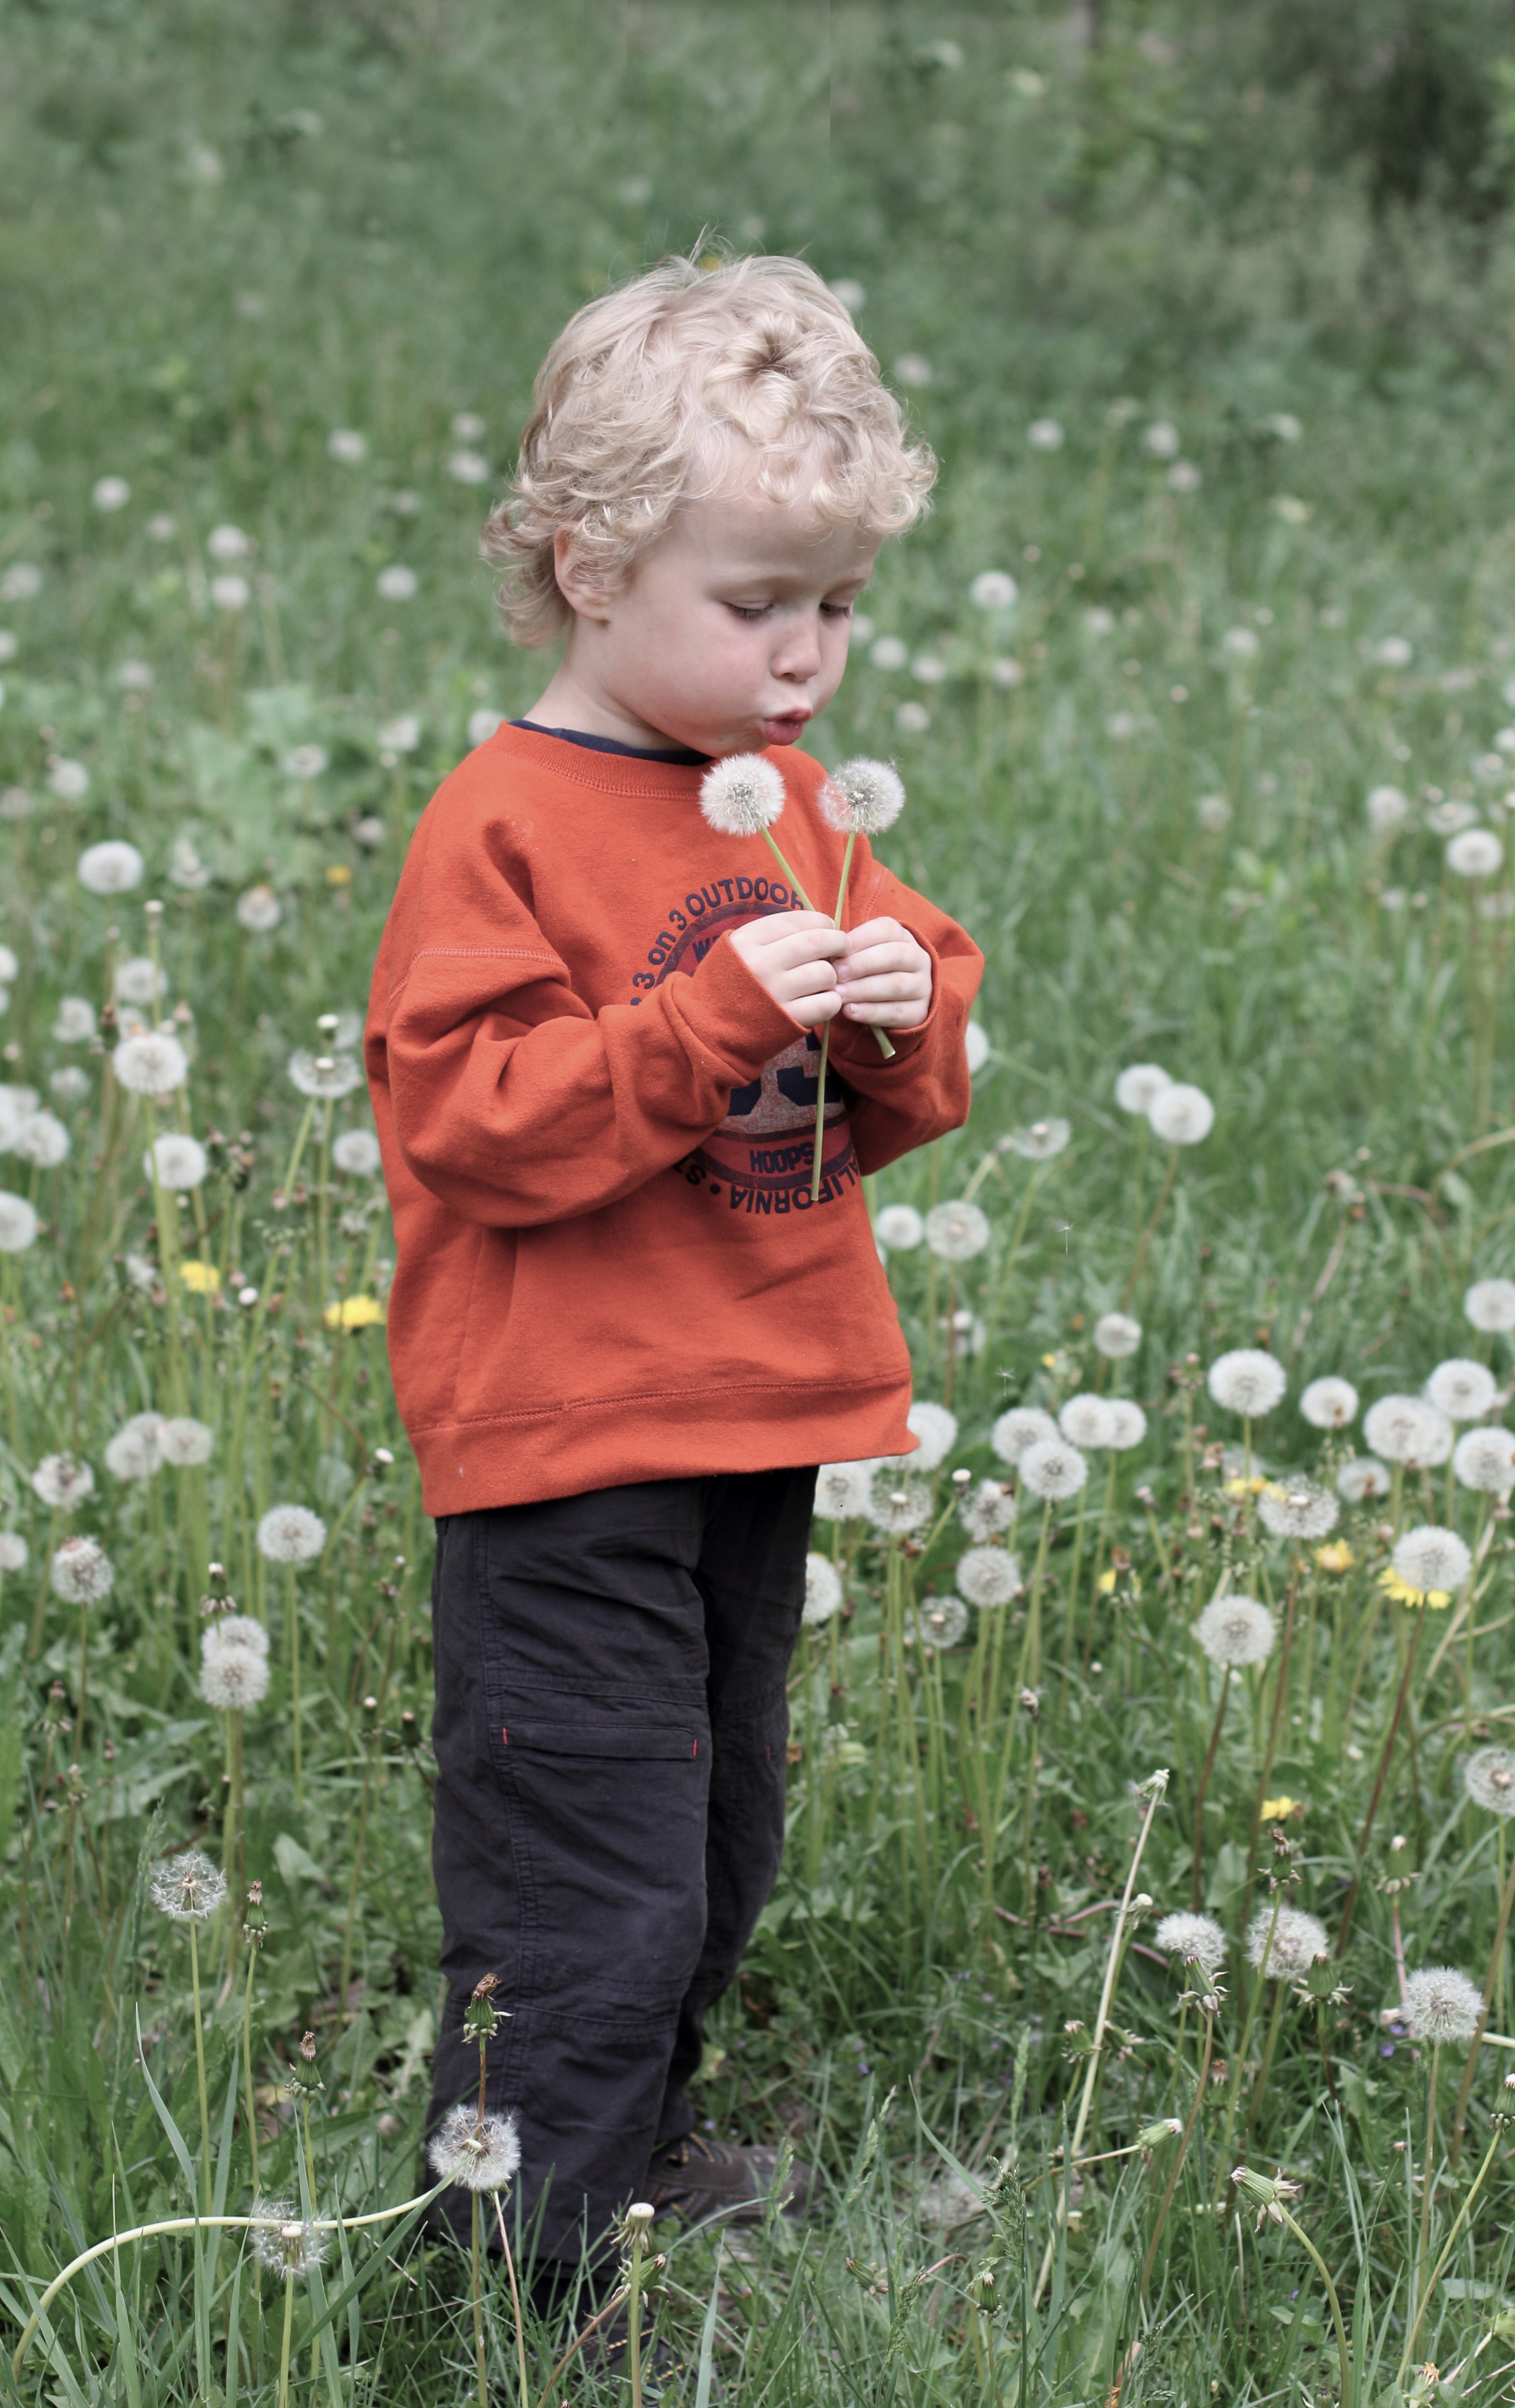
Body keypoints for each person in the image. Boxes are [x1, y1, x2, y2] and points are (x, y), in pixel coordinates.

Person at [364, 249, 983, 2321]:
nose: (806, 660)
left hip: (754, 1411)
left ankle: (619, 2152)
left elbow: (892, 1099)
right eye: (757, 606)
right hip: (563, 1445)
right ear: (582, 564)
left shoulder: (795, 815)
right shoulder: (505, 826)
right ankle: (523, 2270)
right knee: (584, 1867)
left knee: (713, 1840)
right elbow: (480, 1124)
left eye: (837, 608)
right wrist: (710, 1019)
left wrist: (898, 1006)